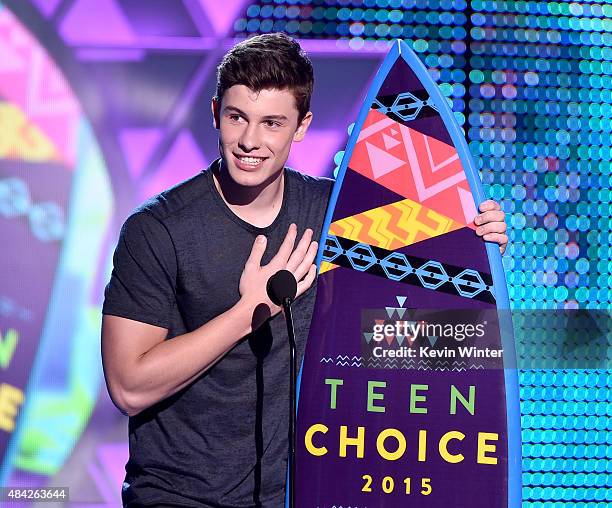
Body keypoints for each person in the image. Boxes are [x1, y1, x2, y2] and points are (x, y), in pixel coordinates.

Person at [101, 33, 509, 507]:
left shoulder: (337, 216)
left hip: (298, 493)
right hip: (178, 495)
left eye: (272, 123)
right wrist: (249, 312)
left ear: (301, 126)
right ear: (215, 113)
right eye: (237, 118)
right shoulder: (157, 229)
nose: (250, 141)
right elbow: (129, 386)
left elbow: (416, 325)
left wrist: (476, 240)